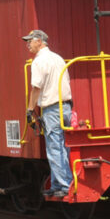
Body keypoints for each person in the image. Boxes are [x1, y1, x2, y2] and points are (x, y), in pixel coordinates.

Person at [23, 29, 73, 198]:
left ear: (39, 41)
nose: (28, 44)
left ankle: (64, 185)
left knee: (54, 147)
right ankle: (59, 183)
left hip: (52, 108)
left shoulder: (39, 61)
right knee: (63, 147)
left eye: (30, 41)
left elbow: (36, 88)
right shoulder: (58, 58)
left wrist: (30, 109)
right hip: (66, 107)